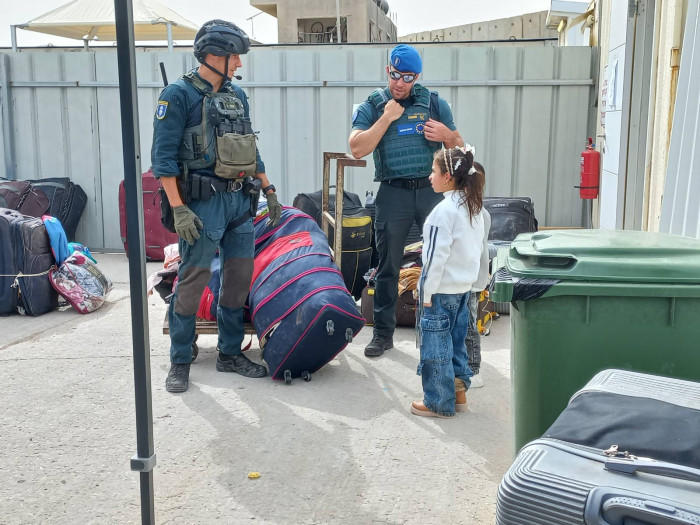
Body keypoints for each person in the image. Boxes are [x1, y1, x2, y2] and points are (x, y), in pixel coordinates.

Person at [151, 20, 282, 393]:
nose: (239, 64)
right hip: (200, 204)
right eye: (234, 56)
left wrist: (268, 188)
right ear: (214, 56)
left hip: (239, 199)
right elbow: (163, 161)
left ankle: (229, 354)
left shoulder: (236, 96)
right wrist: (178, 208)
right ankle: (180, 360)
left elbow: (250, 146)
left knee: (238, 280)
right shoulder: (176, 95)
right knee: (192, 282)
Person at [349, 44, 464, 358]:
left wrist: (446, 135)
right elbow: (357, 149)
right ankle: (383, 335)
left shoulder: (435, 104)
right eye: (396, 75)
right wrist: (386, 117)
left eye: (408, 77)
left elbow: (460, 146)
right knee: (386, 265)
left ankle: (441, 330)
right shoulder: (373, 106)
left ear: (416, 77)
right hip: (393, 192)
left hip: (431, 190)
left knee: (441, 260)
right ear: (388, 70)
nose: (400, 82)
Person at [411, 146, 485, 418]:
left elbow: (433, 260)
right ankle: (459, 394)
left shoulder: (443, 213)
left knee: (435, 351)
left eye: (433, 171)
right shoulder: (473, 207)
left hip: (440, 292)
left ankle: (438, 403)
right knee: (456, 345)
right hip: (463, 291)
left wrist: (424, 291)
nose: (430, 176)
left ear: (448, 176)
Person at [465, 161, 490, 388]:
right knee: (464, 324)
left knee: (469, 325)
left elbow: (475, 251)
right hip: (466, 278)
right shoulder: (474, 211)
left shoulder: (478, 214)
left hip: (470, 280)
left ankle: (474, 370)